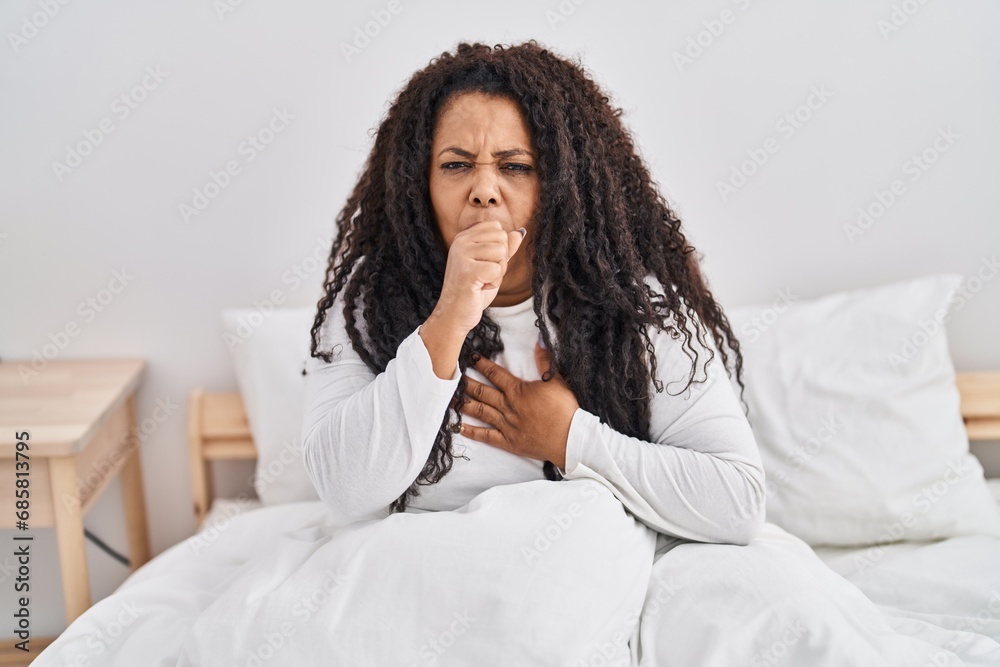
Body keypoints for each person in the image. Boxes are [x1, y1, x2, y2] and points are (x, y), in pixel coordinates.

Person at [300, 40, 766, 547]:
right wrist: (449, 318)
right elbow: (343, 490)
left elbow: (737, 503)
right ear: (418, 184)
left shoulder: (636, 306)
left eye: (515, 166)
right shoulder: (367, 299)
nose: (484, 189)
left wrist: (569, 437)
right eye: (456, 165)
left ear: (563, 185)